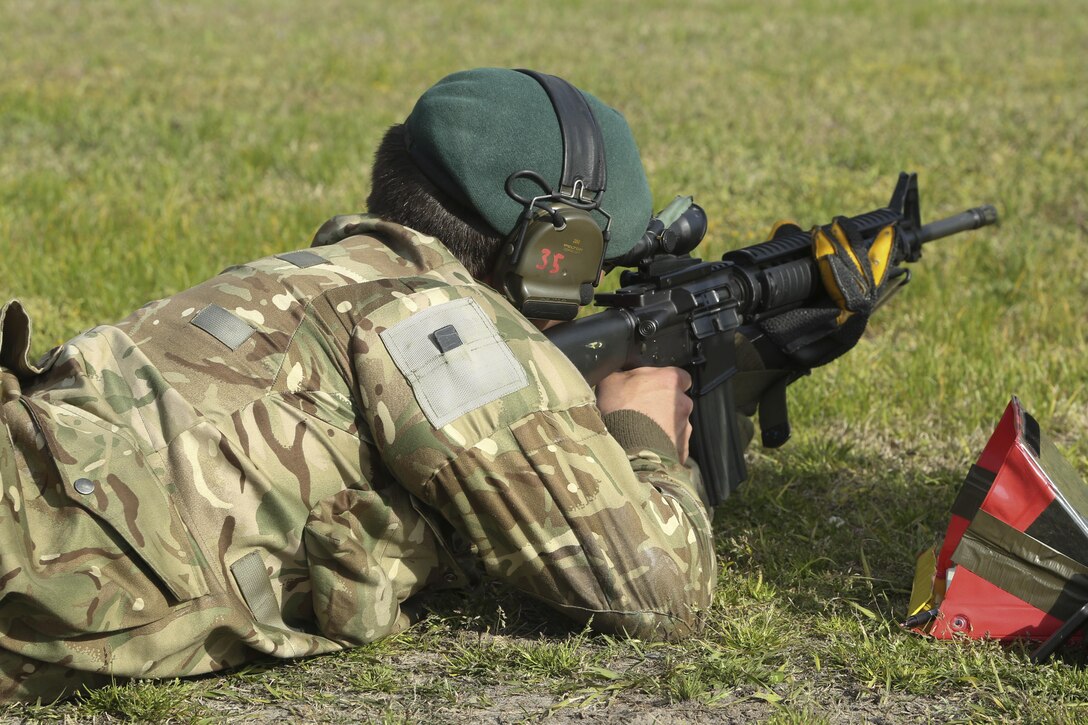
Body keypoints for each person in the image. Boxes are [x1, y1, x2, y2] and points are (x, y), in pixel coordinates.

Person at [0, 67, 884, 702]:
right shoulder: (442, 327)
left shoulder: (304, 274)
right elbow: (658, 590)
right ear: (552, 250)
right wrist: (644, 432)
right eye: (593, 264)